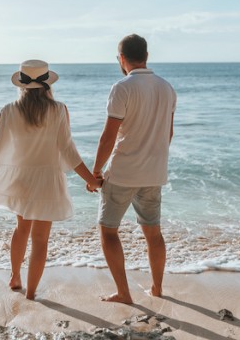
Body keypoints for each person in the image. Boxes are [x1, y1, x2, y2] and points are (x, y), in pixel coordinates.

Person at [0, 59, 102, 300]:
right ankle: (30, 293)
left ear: (21, 85)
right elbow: (68, 151)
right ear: (47, 84)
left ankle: (15, 276)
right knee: (40, 241)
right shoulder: (59, 109)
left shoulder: (9, 110)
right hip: (48, 182)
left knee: (21, 229)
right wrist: (91, 179)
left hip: (21, 180)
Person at [91, 34, 176, 304]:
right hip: (154, 173)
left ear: (122, 59)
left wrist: (96, 172)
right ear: (147, 56)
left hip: (124, 172)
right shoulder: (167, 88)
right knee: (153, 232)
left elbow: (108, 136)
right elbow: (168, 134)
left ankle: (124, 293)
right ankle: (157, 288)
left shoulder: (122, 87)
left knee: (108, 230)